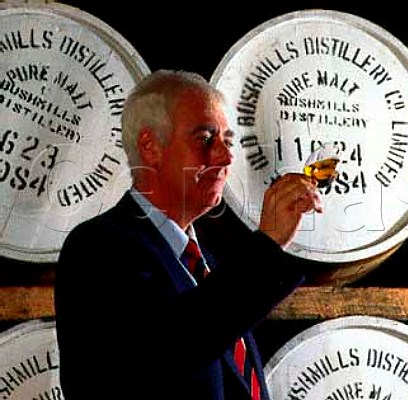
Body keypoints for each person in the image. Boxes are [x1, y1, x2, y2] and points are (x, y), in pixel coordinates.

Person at [54, 69, 324, 400]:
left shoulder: (207, 261)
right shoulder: (99, 248)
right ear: (151, 147)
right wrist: (266, 246)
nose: (225, 157)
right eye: (204, 139)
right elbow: (169, 348)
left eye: (227, 141)